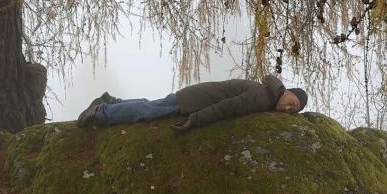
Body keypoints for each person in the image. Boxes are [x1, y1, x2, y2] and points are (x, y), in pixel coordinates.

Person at [76, 75, 308, 133]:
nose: (289, 109)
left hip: (194, 96)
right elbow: (226, 108)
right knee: (148, 111)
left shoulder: (265, 95)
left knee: (151, 104)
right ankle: (101, 112)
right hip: (194, 101)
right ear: (286, 91)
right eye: (292, 102)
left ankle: (111, 102)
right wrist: (194, 120)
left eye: (293, 110)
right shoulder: (261, 97)